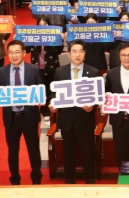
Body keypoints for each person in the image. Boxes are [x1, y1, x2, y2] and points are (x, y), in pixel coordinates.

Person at [50, 39, 100, 184]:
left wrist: (93, 105)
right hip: (66, 120)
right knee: (68, 152)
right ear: (69, 54)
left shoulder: (94, 72)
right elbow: (54, 93)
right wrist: (53, 104)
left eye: (80, 51)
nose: (77, 55)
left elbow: (99, 96)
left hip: (85, 119)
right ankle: (69, 179)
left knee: (88, 152)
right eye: (74, 51)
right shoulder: (60, 71)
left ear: (85, 54)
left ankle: (90, 179)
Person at [0, 40, 43, 185]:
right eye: (11, 52)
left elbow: (41, 88)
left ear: (23, 53)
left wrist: (40, 99)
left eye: (17, 52)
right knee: (12, 152)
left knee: (33, 150)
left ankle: (36, 178)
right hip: (11, 118)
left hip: (29, 116)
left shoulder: (33, 69)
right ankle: (15, 179)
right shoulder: (1, 71)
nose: (14, 55)